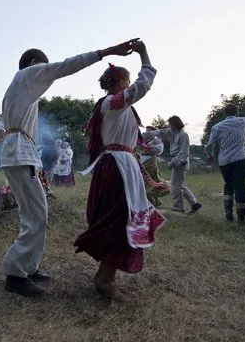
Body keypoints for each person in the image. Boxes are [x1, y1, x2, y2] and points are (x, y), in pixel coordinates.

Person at [0, 37, 144, 297]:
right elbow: (67, 66)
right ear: (35, 63)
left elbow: (10, 125)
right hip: (19, 154)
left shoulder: (19, 90)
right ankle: (15, 274)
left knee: (37, 214)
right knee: (35, 216)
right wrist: (107, 52)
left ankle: (29, 267)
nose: (48, 75)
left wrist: (0, 135)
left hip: (19, 153)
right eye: (45, 68)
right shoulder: (28, 73)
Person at [73, 40, 167, 302]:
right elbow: (144, 84)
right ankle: (105, 279)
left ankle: (106, 275)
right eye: (127, 82)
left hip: (121, 165)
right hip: (117, 166)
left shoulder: (117, 108)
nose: (130, 87)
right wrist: (144, 53)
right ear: (122, 82)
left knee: (123, 217)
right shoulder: (112, 103)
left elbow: (136, 141)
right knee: (121, 218)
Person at [204, 104, 245, 224]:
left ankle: (228, 212)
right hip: (240, 159)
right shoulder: (243, 121)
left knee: (228, 184)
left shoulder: (217, 127)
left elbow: (210, 145)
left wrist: (210, 155)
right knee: (241, 187)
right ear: (237, 112)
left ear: (225, 112)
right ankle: (241, 217)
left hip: (224, 161)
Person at [151, 117, 202, 213]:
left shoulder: (183, 135)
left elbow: (184, 152)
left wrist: (174, 162)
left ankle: (178, 207)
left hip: (181, 162)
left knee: (175, 186)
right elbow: (161, 132)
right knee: (180, 185)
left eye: (170, 124)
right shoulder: (173, 133)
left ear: (174, 124)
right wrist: (148, 134)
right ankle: (194, 204)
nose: (169, 126)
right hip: (177, 161)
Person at [138, 126, 168, 207]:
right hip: (142, 161)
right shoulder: (143, 140)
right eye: (146, 131)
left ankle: (153, 201)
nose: (147, 133)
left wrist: (148, 147)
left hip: (150, 161)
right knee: (143, 182)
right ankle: (153, 201)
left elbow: (159, 150)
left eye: (149, 131)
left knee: (150, 181)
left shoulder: (157, 140)